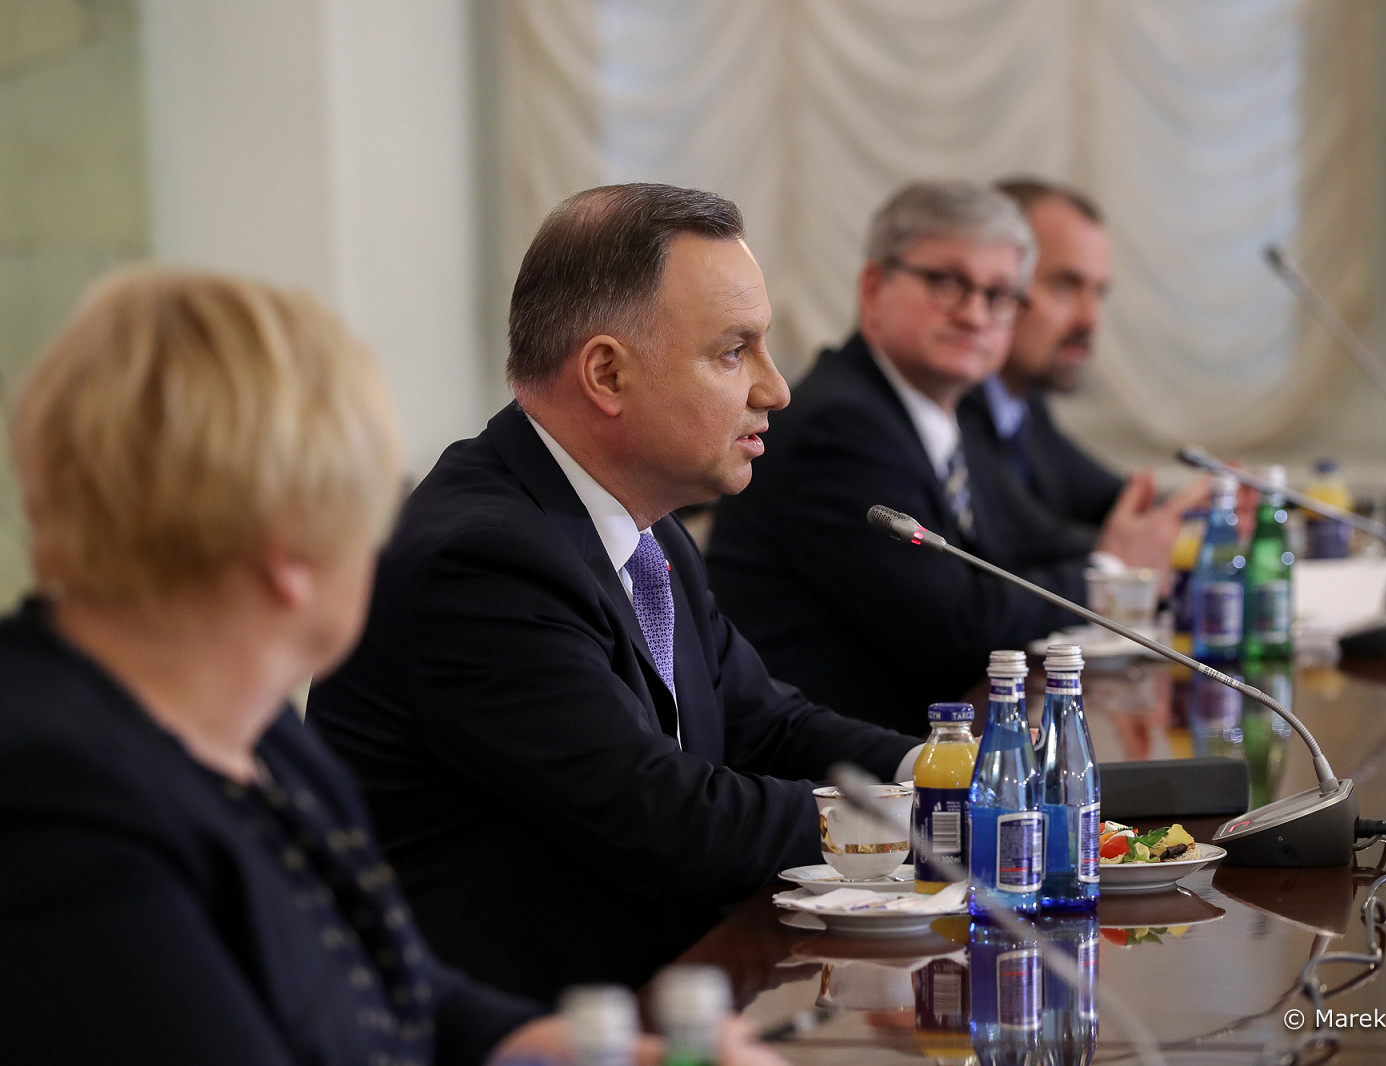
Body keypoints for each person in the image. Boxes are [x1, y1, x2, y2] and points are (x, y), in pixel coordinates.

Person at [307, 184, 920, 1002]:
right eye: (734, 352)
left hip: (659, 994)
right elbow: (665, 820)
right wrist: (923, 817)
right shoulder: (481, 561)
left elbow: (765, 725)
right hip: (525, 1030)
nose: (775, 389)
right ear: (606, 373)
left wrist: (947, 770)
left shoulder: (644, 528)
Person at [0, 268, 563, 1064]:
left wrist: (570, 1045)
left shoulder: (253, 723)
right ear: (289, 551)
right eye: (379, 505)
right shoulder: (55, 805)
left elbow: (388, 987)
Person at [707, 180, 1124, 732]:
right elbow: (957, 625)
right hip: (830, 764)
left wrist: (1123, 550)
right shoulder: (842, 425)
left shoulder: (950, 417)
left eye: (999, 295)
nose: (975, 315)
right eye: (948, 283)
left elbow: (1015, 550)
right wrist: (1108, 573)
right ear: (873, 288)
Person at [960, 178, 1207, 570]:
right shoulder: (954, 403)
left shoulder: (1024, 404)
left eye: (1099, 293)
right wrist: (1138, 548)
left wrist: (1200, 514)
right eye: (1065, 285)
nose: (1090, 320)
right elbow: (1031, 540)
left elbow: (1107, 499)